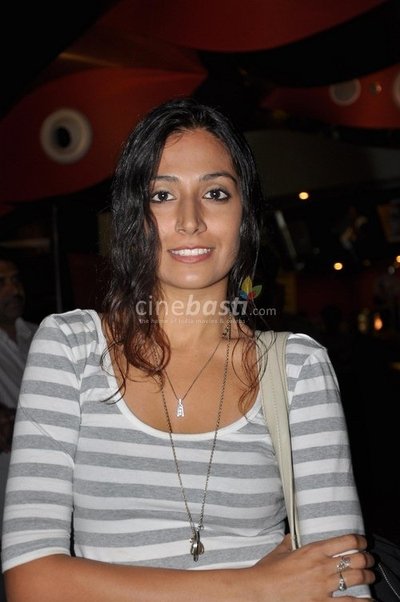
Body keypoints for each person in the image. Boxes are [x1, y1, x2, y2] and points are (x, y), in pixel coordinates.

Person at [1, 98, 375, 601]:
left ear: (245, 215)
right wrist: (255, 587)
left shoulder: (297, 369)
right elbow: (31, 580)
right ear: (133, 216)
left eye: (216, 193)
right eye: (162, 195)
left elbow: (343, 581)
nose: (191, 220)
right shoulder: (71, 348)